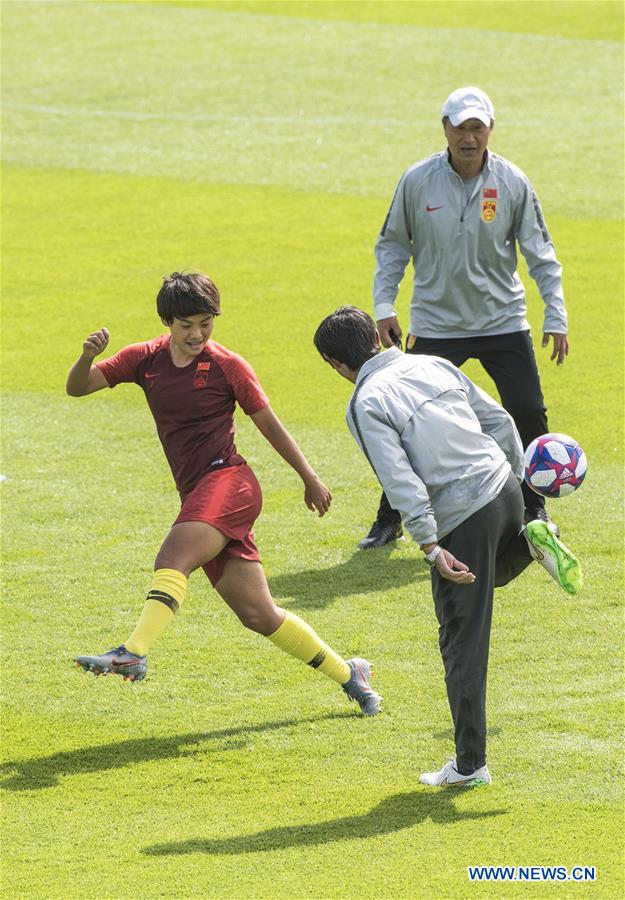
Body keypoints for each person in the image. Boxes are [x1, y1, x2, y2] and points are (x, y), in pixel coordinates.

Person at [67, 272, 381, 716]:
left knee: (173, 557)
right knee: (260, 615)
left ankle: (133, 651)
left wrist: (309, 477)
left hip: (229, 484)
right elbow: (78, 387)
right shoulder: (144, 359)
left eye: (206, 323)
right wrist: (86, 357)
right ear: (167, 322)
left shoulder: (227, 365)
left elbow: (268, 423)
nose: (197, 334)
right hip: (199, 494)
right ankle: (351, 675)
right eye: (186, 325)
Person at [314, 306, 581, 786]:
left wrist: (431, 547)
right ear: (374, 339)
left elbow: (400, 482)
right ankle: (530, 538)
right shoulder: (432, 362)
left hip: (464, 515)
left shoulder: (365, 401)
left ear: (336, 364)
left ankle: (470, 765)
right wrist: (527, 497)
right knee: (485, 577)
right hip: (502, 488)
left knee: (462, 641)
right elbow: (499, 421)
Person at [360, 85, 569, 549]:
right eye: (460, 126)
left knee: (528, 411)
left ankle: (534, 507)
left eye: (477, 126)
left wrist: (555, 313)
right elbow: (393, 244)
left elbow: (541, 253)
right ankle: (388, 518)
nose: (469, 137)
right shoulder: (417, 181)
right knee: (408, 419)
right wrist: (383, 306)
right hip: (436, 324)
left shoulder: (512, 181)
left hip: (503, 321)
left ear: (490, 129)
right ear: (445, 128)